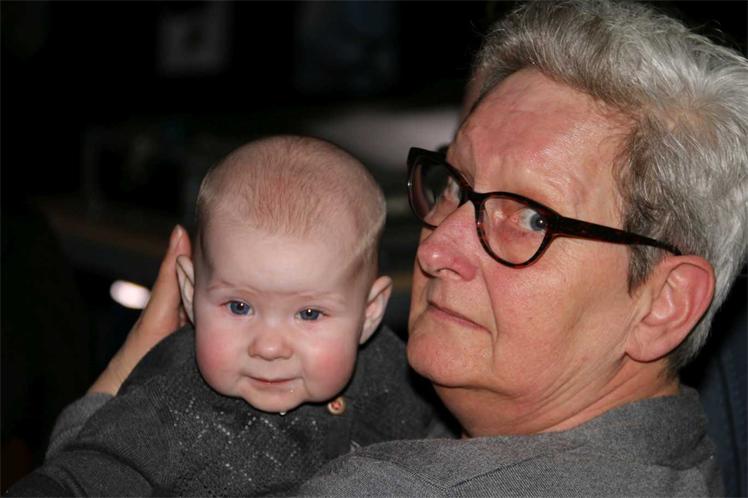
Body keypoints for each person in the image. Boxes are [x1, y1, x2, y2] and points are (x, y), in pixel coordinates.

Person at [14, 0, 748, 495]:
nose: (437, 248)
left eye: (528, 219)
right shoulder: (677, 453)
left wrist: (105, 412)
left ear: (665, 304)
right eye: (454, 184)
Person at [7, 135, 443, 496]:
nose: (269, 347)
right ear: (190, 291)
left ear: (369, 313)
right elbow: (74, 480)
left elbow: (445, 455)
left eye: (309, 313)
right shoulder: (169, 408)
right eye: (239, 307)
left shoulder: (392, 370)